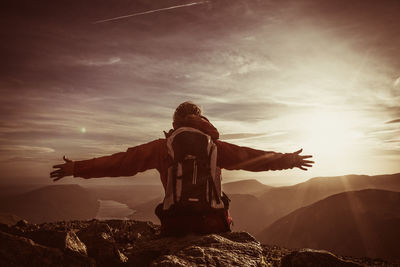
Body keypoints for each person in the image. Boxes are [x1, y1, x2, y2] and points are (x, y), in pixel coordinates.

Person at [50, 101, 314, 234]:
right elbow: (252, 158)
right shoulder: (215, 147)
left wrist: (77, 167)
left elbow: (121, 163)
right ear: (202, 120)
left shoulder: (162, 147)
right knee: (223, 200)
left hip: (175, 224)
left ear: (175, 123)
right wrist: (289, 160)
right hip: (213, 223)